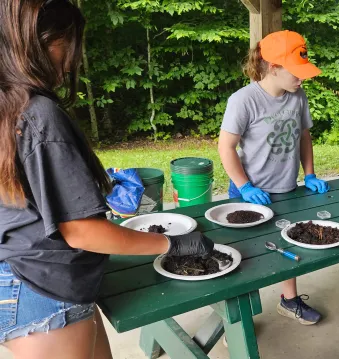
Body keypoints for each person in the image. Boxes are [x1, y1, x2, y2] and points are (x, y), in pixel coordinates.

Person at [0, 1, 214, 358]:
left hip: (28, 277)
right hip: (44, 290)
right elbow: (81, 230)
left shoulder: (9, 105)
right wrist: (173, 245)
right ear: (43, 39)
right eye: (70, 43)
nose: (72, 58)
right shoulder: (38, 114)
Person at [218, 30, 327, 325]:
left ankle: (289, 301)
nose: (302, 79)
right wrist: (244, 186)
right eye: (296, 72)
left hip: (287, 186)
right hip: (249, 191)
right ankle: (236, 320)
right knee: (242, 256)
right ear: (274, 68)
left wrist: (311, 174)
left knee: (289, 244)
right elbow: (225, 147)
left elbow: (304, 136)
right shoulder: (244, 100)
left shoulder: (297, 95)